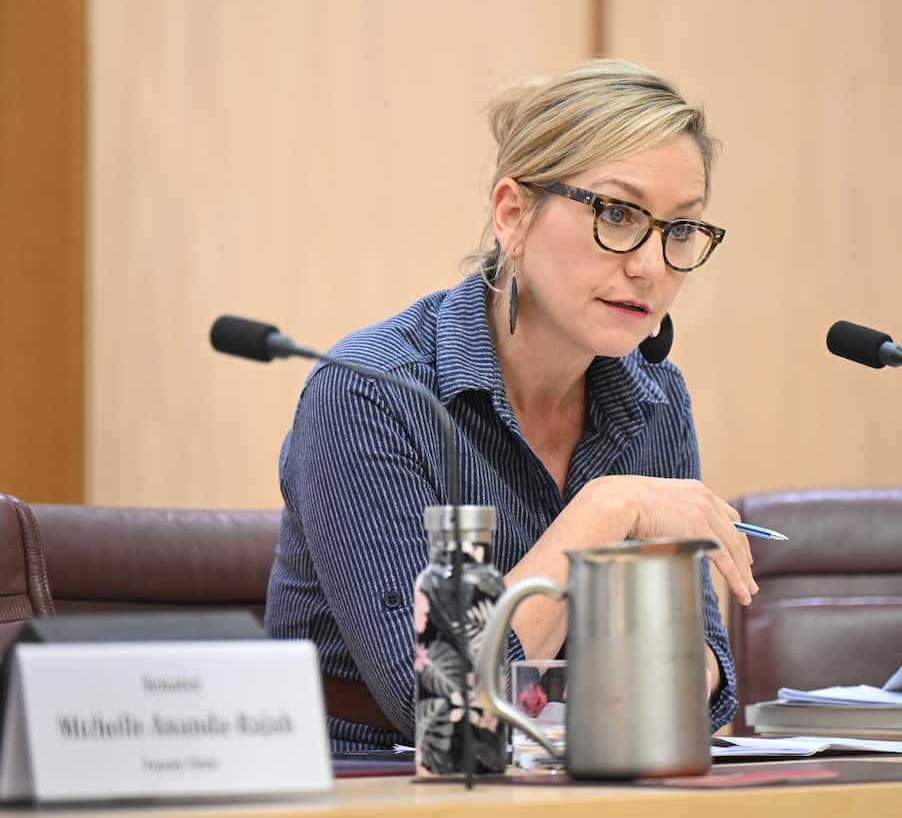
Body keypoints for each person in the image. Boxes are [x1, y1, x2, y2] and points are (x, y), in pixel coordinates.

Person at [264, 59, 756, 750]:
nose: (650, 264)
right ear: (513, 214)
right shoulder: (374, 391)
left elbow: (704, 674)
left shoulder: (656, 399)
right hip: (371, 780)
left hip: (579, 778)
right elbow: (440, 701)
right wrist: (603, 514)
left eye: (679, 230)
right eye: (617, 214)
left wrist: (631, 684)